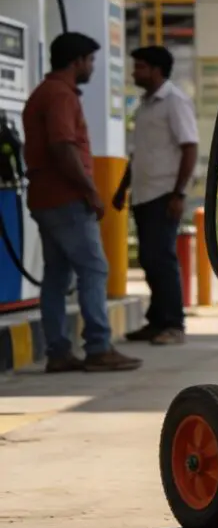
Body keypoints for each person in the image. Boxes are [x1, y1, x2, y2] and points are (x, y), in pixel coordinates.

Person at [22, 32, 141, 373]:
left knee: (57, 275)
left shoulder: (44, 93)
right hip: (66, 198)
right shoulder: (60, 95)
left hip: (45, 197)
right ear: (76, 62)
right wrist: (89, 190)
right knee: (94, 268)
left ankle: (58, 352)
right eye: (89, 61)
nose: (91, 67)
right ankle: (99, 347)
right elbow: (62, 146)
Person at [113, 45, 198, 346]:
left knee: (161, 259)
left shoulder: (174, 101)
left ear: (157, 70)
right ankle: (157, 321)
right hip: (143, 193)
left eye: (140, 67)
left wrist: (179, 193)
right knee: (149, 259)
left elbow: (190, 147)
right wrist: (122, 188)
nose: (134, 72)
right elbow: (139, 154)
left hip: (164, 193)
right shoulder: (145, 105)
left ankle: (174, 324)